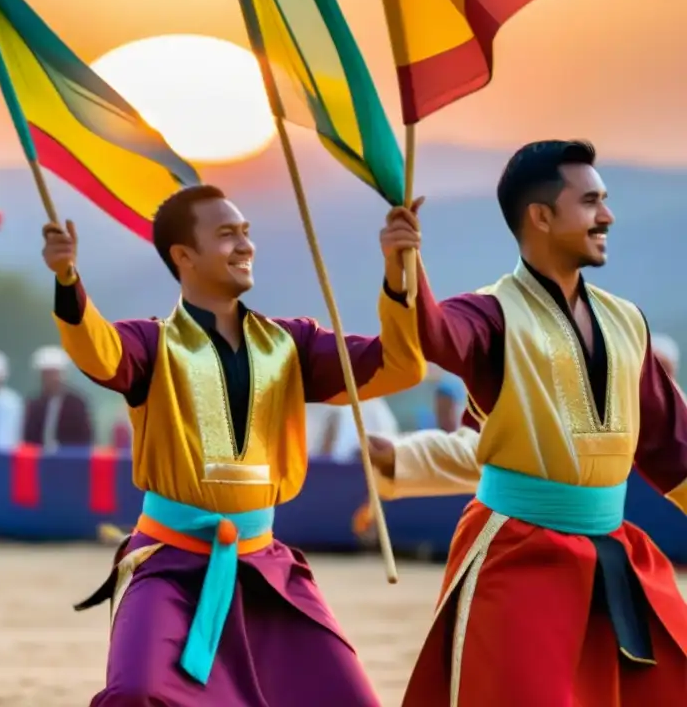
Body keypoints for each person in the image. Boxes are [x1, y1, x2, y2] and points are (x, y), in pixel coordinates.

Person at [43, 184, 426, 705]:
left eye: (246, 233)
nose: (245, 245)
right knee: (137, 693)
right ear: (184, 256)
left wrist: (398, 273)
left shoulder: (291, 345)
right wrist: (68, 282)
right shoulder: (153, 344)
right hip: (168, 566)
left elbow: (399, 366)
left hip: (266, 569)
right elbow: (100, 354)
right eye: (227, 235)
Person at [372, 140, 687, 705]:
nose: (607, 216)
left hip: (614, 554)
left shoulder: (626, 322)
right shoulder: (492, 313)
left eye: (606, 200)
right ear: (540, 217)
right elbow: (438, 335)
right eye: (590, 201)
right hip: (517, 554)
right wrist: (405, 272)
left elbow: (673, 448)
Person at [21, 345, 94, 453]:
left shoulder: (76, 403)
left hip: (69, 459)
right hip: (39, 460)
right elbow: (28, 437)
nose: (50, 378)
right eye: (46, 374)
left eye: (54, 373)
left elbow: (85, 438)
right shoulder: (34, 404)